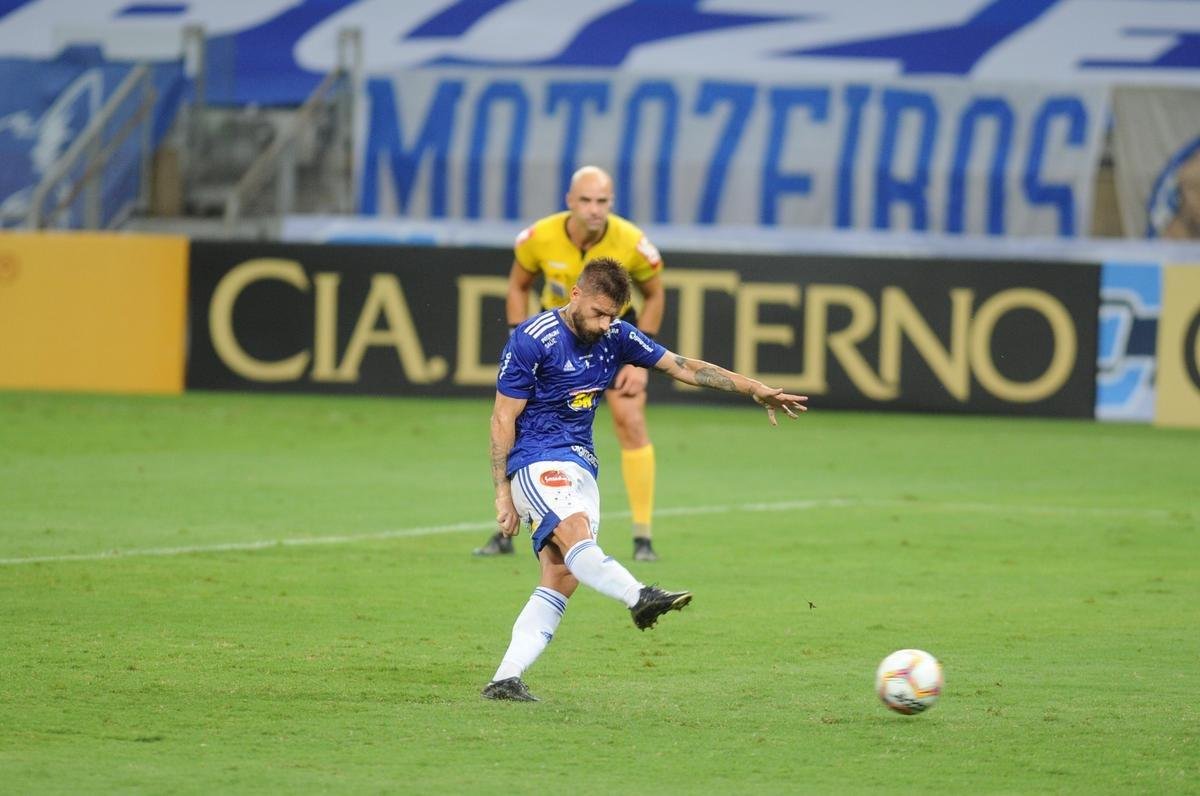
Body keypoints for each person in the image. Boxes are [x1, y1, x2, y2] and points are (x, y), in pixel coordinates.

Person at [482, 258, 806, 702]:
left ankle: (505, 679)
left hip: (582, 465)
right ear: (575, 294)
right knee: (575, 534)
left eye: (612, 314)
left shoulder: (616, 335)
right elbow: (503, 417)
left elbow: (684, 367)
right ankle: (639, 597)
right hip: (537, 462)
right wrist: (502, 491)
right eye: (598, 312)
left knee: (562, 574)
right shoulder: (532, 340)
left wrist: (753, 388)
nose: (604, 323)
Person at [473, 166, 667, 561]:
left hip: (611, 339)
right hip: (554, 343)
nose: (594, 210)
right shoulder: (538, 237)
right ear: (570, 202)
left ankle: (643, 536)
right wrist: (519, 336)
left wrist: (637, 364)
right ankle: (507, 526)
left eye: (603, 202)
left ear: (611, 203)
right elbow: (518, 285)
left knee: (630, 421)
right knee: (523, 427)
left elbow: (656, 296)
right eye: (586, 200)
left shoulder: (631, 242)